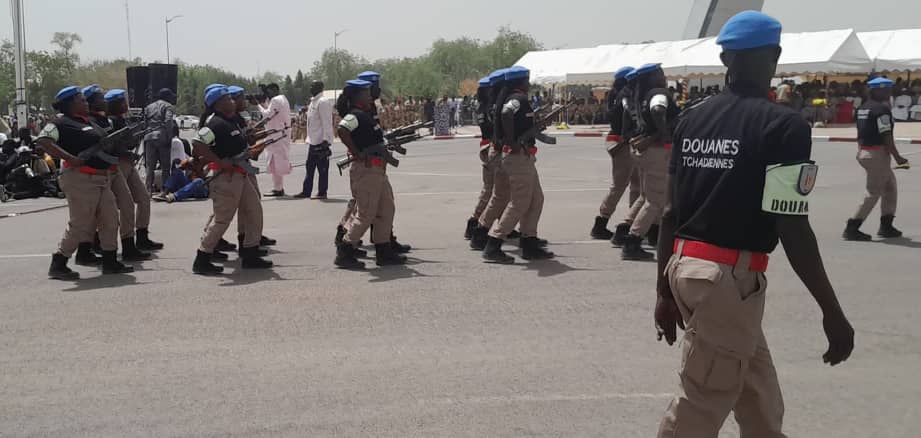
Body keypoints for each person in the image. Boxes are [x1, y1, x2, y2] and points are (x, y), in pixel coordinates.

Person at [654, 12, 854, 437]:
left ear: (725, 57)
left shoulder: (692, 119)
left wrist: (662, 293)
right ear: (775, 56)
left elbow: (670, 213)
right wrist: (831, 311)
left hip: (686, 270)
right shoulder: (783, 126)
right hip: (726, 281)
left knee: (758, 394)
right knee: (701, 401)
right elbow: (791, 225)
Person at [38, 86, 134, 280]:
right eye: (82, 100)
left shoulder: (88, 121)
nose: (86, 103)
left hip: (101, 177)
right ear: (71, 103)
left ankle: (109, 260)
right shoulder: (59, 122)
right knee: (80, 224)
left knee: (110, 219)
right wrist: (70, 158)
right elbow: (44, 140)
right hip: (79, 178)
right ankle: (59, 261)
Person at [191, 86, 273, 275]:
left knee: (254, 210)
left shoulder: (232, 122)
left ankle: (250, 253)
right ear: (218, 104)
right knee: (222, 220)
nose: (233, 101)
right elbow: (197, 144)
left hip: (241, 174)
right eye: (228, 99)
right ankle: (202, 258)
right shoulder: (215, 124)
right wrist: (219, 161)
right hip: (226, 178)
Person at [482, 66, 554, 263]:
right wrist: (512, 140)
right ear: (520, 82)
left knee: (536, 199)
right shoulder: (517, 98)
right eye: (526, 80)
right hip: (518, 156)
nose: (528, 83)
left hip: (523, 156)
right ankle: (494, 243)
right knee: (520, 202)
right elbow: (507, 113)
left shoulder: (514, 98)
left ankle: (528, 241)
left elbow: (514, 118)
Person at [333, 79, 405, 269]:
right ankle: (345, 250)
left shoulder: (365, 115)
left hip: (377, 170)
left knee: (386, 209)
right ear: (358, 96)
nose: (369, 95)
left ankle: (384, 250)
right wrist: (355, 151)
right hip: (366, 170)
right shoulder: (354, 115)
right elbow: (342, 129)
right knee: (366, 214)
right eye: (366, 93)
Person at [620, 63, 678, 261]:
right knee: (656, 200)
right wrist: (664, 134)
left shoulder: (641, 95)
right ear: (653, 77)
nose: (663, 76)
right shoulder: (658, 94)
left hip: (647, 151)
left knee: (648, 197)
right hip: (656, 152)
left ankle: (635, 229)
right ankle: (633, 240)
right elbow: (658, 110)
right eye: (660, 73)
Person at [842, 77, 910, 241]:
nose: (888, 93)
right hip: (877, 153)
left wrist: (861, 151)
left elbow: (861, 132)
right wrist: (898, 157)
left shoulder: (863, 108)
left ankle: (886, 225)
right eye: (886, 90)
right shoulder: (881, 110)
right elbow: (886, 135)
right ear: (876, 90)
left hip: (866, 151)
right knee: (873, 192)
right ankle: (852, 227)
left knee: (890, 188)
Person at [591, 66, 635, 240]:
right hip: (621, 141)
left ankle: (634, 223)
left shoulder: (614, 95)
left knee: (636, 186)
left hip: (617, 139)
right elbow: (627, 114)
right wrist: (627, 136)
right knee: (620, 186)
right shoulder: (625, 95)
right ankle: (601, 223)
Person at [464, 77, 496, 240]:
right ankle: (474, 222)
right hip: (491, 145)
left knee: (495, 190)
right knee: (492, 190)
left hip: (486, 144)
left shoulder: (481, 107)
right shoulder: (488, 108)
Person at [295, 80, 334, 200]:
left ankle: (322, 192)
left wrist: (326, 140)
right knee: (309, 168)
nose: (310, 87)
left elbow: (327, 122)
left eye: (313, 86)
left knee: (322, 170)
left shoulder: (323, 102)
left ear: (320, 87)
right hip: (313, 141)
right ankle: (306, 191)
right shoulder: (313, 102)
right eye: (310, 85)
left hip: (321, 142)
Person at [258, 83, 292, 197]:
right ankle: (278, 188)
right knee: (274, 163)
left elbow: (267, 115)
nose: (268, 94)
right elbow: (272, 112)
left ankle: (278, 189)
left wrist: (258, 105)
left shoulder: (276, 100)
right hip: (278, 135)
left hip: (277, 136)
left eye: (269, 91)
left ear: (274, 90)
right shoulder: (281, 99)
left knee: (276, 162)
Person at [142, 88, 178, 193]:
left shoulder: (148, 107)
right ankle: (164, 191)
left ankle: (148, 190)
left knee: (150, 166)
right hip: (162, 137)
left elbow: (144, 124)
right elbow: (168, 121)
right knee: (165, 166)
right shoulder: (168, 106)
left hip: (149, 137)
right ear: (167, 97)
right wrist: (169, 136)